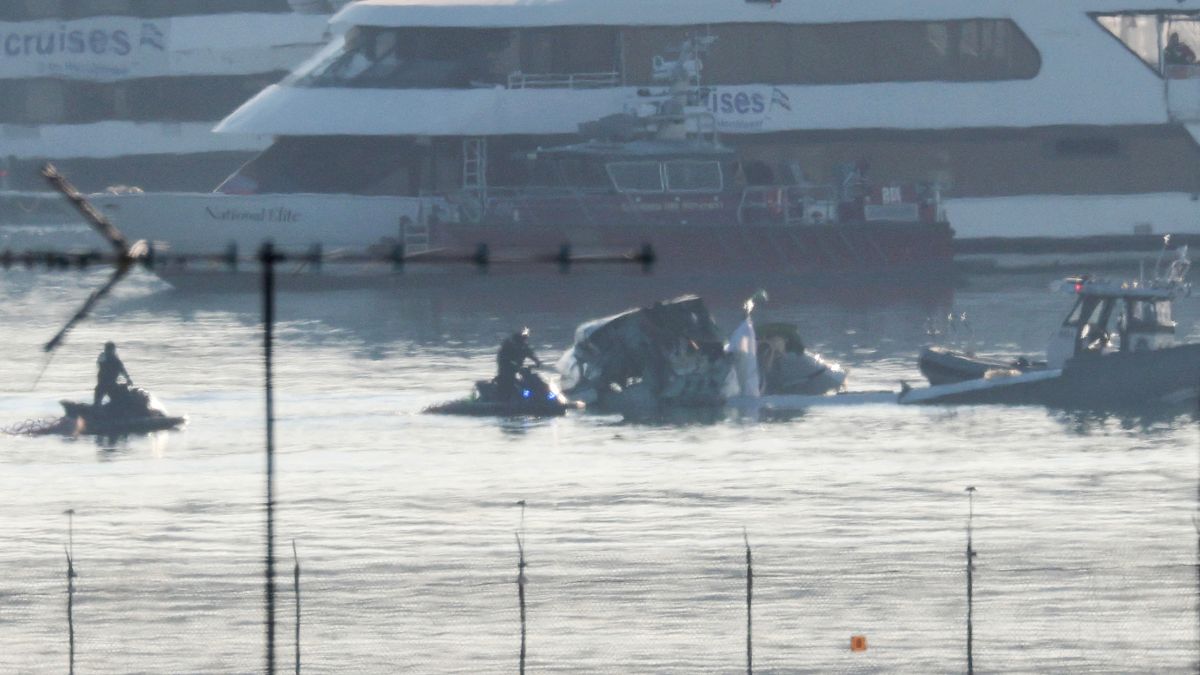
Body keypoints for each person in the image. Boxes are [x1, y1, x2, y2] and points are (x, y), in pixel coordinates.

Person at [496, 328, 542, 400]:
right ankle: (504, 397)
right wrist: (513, 365)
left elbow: (530, 353)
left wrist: (537, 362)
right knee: (507, 379)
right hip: (506, 367)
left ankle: (539, 393)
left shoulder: (523, 346)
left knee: (530, 378)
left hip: (517, 366)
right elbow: (503, 359)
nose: (523, 342)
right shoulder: (507, 346)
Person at [93, 341, 132, 407]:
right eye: (107, 349)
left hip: (111, 385)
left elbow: (122, 369)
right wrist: (128, 378)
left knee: (117, 401)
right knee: (97, 403)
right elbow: (100, 363)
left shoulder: (115, 360)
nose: (108, 351)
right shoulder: (103, 356)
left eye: (109, 349)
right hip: (103, 385)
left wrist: (128, 379)